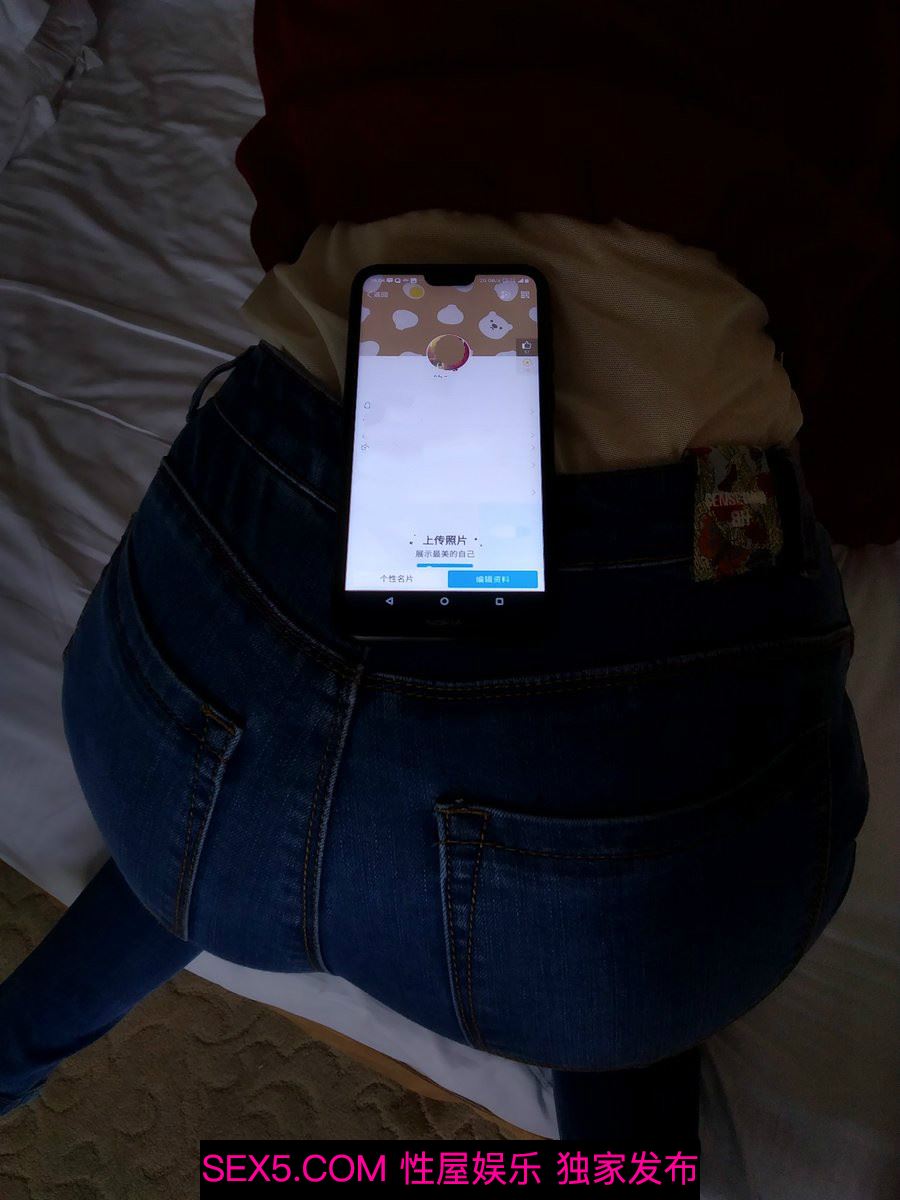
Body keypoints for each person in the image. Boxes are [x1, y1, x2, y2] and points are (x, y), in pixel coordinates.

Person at [0, 207, 870, 1165]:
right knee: (621, 977)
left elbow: (280, 221)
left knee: (214, 828)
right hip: (602, 869)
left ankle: (65, 998)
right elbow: (860, 451)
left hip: (175, 737)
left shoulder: (347, 108)